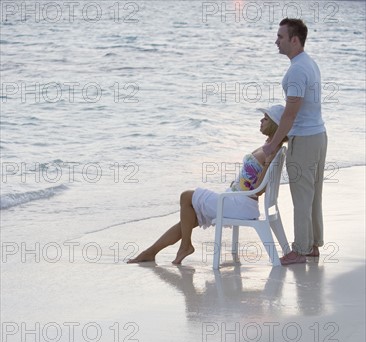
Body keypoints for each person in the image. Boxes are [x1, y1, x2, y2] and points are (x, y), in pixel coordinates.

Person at [128, 105, 287, 265]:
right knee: (189, 218)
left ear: (274, 124)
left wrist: (266, 164)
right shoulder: (268, 145)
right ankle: (151, 252)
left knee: (186, 196)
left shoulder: (271, 152)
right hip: (236, 200)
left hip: (240, 204)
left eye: (266, 118)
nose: (261, 120)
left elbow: (259, 190)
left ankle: (185, 246)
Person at [263, 18, 328, 265]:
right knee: (313, 195)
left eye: (280, 36)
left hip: (305, 140)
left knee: (302, 197)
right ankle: (312, 245)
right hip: (318, 136)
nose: (276, 41)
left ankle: (300, 250)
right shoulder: (308, 63)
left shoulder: (297, 70)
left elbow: (290, 115)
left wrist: (272, 144)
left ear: (294, 39)